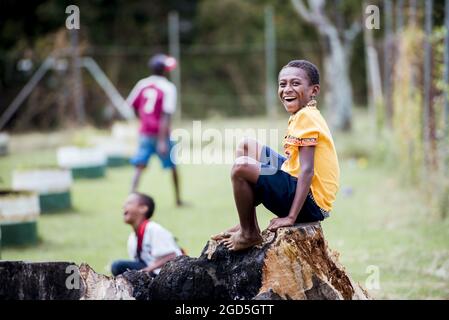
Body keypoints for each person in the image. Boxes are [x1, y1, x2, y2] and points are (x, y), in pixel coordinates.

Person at [212, 60, 340, 251]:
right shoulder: (302, 114)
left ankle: (249, 235)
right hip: (296, 182)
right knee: (247, 146)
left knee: (241, 167)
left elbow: (307, 170)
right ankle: (248, 224)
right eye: (283, 84)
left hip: (310, 203)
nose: (287, 89)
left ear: (314, 90)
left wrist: (291, 217)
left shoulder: (306, 117)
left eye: (295, 83)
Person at [126, 53, 184, 206]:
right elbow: (166, 115)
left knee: (139, 166)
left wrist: (142, 120)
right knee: (173, 167)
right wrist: (162, 141)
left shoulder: (142, 84)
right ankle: (178, 200)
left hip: (144, 133)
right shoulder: (168, 88)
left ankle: (130, 199)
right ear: (164, 70)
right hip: (161, 135)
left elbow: (131, 105)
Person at [111, 192, 183, 276]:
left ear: (143, 208)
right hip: (150, 271)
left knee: (118, 266)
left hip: (165, 274)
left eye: (129, 203)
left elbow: (172, 255)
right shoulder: (132, 237)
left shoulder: (154, 229)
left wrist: (147, 270)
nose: (123, 206)